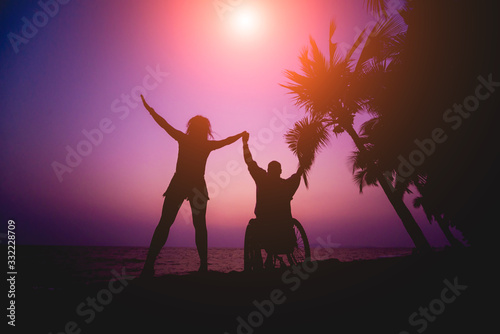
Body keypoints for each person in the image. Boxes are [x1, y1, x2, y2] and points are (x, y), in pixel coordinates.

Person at [141, 95, 246, 276]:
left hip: (183, 183)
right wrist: (241, 135)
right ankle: (203, 266)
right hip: (193, 184)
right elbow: (227, 140)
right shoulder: (205, 144)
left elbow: (163, 123)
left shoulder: (186, 139)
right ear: (205, 129)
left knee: (165, 224)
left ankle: (149, 266)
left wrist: (149, 109)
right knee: (197, 226)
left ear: (191, 128)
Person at [242, 132, 303, 268]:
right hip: (285, 232)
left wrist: (245, 144)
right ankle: (271, 256)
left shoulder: (262, 179)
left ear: (268, 170)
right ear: (280, 171)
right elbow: (297, 175)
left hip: (265, 229)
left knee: (252, 225)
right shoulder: (286, 185)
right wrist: (304, 160)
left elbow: (249, 161)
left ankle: (258, 263)